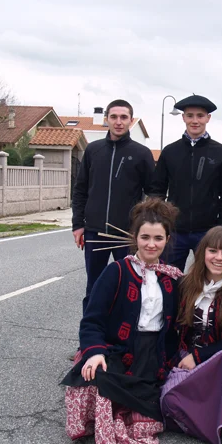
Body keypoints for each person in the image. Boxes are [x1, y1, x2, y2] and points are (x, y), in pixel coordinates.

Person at [61, 198, 182, 444]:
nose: (151, 244)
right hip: (119, 349)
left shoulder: (172, 278)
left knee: (157, 398)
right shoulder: (116, 271)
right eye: (145, 237)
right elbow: (92, 319)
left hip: (155, 353)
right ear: (135, 238)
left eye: (158, 238)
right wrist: (94, 352)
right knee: (95, 375)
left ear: (167, 240)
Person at [160, 226, 222, 444]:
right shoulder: (184, 285)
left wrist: (198, 356)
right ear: (203, 252)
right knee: (168, 401)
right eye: (213, 251)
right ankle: (213, 419)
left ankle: (219, 418)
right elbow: (170, 329)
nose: (219, 258)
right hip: (188, 359)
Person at [72, 99, 155, 312]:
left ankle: (126, 331)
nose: (119, 122)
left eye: (124, 117)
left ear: (130, 120)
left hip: (127, 234)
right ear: (107, 119)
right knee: (94, 288)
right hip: (94, 232)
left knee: (130, 287)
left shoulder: (142, 153)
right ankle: (90, 331)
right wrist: (78, 225)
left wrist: (145, 227)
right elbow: (80, 189)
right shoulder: (93, 150)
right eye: (114, 117)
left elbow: (153, 194)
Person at [150, 95, 222, 272]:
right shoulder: (170, 152)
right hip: (175, 230)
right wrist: (160, 221)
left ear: (208, 118)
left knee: (207, 278)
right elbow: (157, 189)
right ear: (183, 118)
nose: (195, 121)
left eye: (200, 116)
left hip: (208, 231)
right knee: (168, 276)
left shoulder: (220, 152)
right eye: (190, 115)